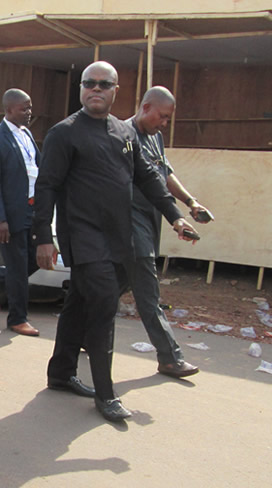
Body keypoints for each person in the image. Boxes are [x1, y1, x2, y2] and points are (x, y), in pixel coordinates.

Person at [33, 61, 199, 422]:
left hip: (118, 238)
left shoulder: (124, 132)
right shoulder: (64, 133)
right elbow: (46, 187)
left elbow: (148, 177)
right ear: (81, 88)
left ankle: (60, 372)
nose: (96, 88)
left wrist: (176, 216)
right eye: (89, 83)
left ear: (115, 91)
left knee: (79, 304)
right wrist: (43, 237)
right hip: (84, 238)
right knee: (104, 307)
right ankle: (106, 395)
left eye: (104, 84)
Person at [127, 86, 212, 378]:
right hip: (129, 221)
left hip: (151, 218)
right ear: (146, 107)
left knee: (115, 285)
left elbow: (165, 173)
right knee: (148, 292)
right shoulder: (123, 135)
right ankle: (170, 357)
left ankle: (83, 335)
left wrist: (190, 202)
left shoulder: (155, 138)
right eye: (162, 116)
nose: (164, 123)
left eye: (168, 119)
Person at [0, 89, 41, 336]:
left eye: (30, 107)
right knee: (17, 267)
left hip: (32, 211)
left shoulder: (27, 134)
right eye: (24, 108)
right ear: (9, 109)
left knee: (35, 260)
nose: (29, 112)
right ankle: (17, 319)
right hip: (10, 214)